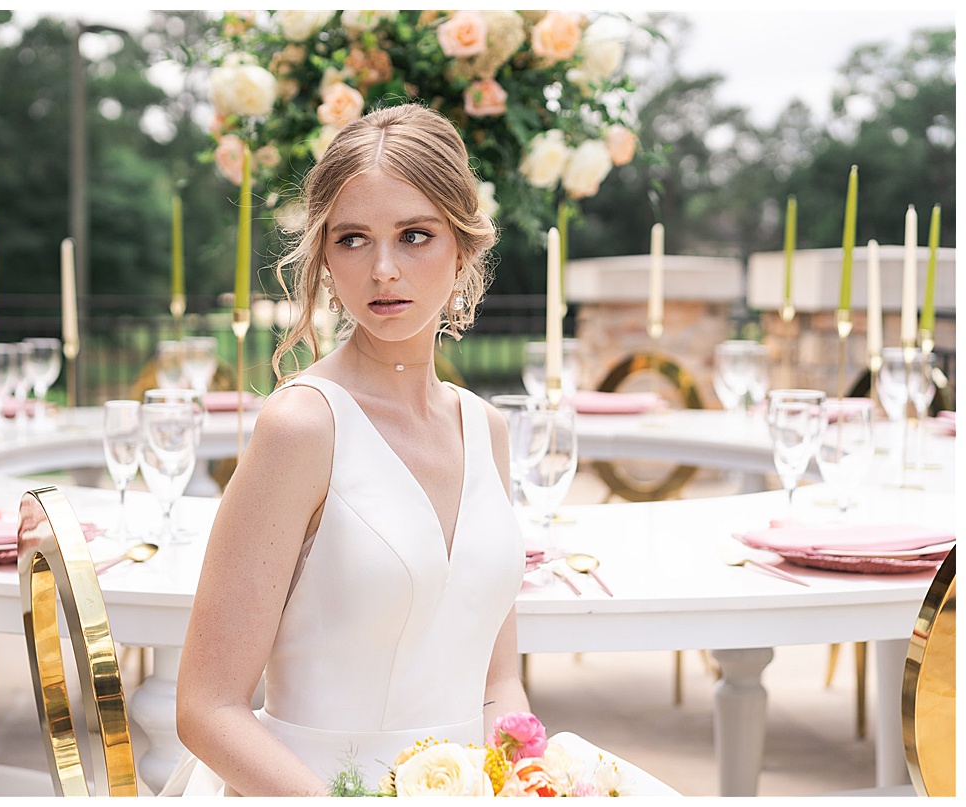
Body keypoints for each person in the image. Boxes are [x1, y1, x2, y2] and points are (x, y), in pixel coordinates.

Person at [161, 103, 673, 797]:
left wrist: (521, 780)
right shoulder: (302, 428)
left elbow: (497, 682)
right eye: (351, 239)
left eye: (413, 235)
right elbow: (207, 708)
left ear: (461, 248)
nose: (382, 269)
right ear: (323, 254)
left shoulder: (486, 428)